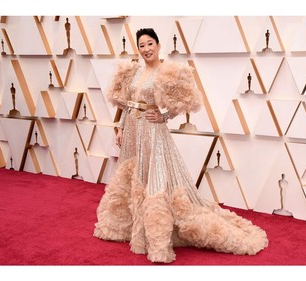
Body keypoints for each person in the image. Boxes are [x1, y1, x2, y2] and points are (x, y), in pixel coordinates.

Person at [93, 28, 268, 263]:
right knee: (134, 176)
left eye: (150, 44)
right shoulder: (134, 71)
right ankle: (134, 228)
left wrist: (164, 117)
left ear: (158, 45)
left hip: (153, 132)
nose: (146, 49)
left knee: (155, 180)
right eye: (142, 45)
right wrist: (120, 127)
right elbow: (127, 104)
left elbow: (183, 102)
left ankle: (156, 237)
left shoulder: (167, 72)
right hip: (133, 131)